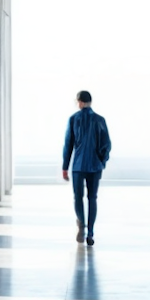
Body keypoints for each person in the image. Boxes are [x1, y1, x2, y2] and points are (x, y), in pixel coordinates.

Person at [61, 90, 111, 246]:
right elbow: (106, 145)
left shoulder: (73, 119)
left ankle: (81, 224)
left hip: (78, 166)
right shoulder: (100, 120)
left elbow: (68, 145)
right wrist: (102, 161)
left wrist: (65, 166)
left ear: (80, 102)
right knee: (92, 198)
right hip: (95, 167)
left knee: (78, 198)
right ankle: (90, 232)